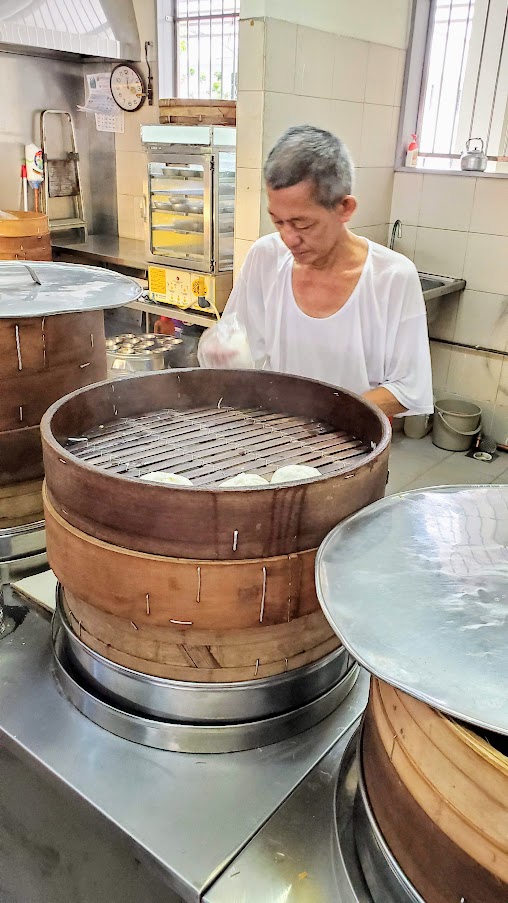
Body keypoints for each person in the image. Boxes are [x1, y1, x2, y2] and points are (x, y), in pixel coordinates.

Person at [216, 125, 433, 419]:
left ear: (345, 208)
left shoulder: (392, 277)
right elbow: (238, 340)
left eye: (303, 224)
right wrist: (221, 350)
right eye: (278, 222)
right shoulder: (266, 257)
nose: (289, 238)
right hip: (273, 435)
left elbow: (408, 388)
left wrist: (323, 416)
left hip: (353, 445)